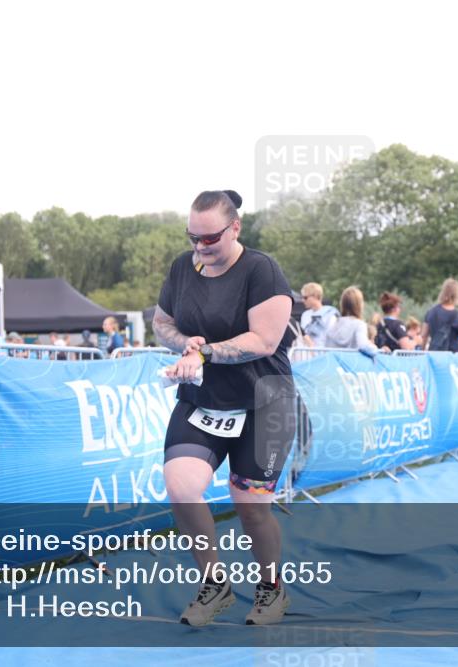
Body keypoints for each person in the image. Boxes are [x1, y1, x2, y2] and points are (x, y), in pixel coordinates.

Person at [152, 189, 297, 627]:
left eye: (209, 238)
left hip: (265, 401)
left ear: (235, 228)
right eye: (192, 237)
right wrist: (184, 343)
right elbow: (162, 324)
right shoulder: (183, 267)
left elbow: (264, 340)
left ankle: (271, 589)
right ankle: (214, 585)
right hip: (205, 399)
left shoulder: (261, 270)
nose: (199, 247)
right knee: (180, 486)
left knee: (250, 505)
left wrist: (206, 353)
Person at [324, 286, 378, 356]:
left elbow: (327, 345)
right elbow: (363, 345)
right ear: (359, 305)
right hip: (351, 364)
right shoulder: (359, 324)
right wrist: (376, 349)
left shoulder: (334, 323)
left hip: (335, 364)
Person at [298, 282, 338, 348]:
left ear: (315, 296)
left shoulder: (330, 315)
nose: (303, 300)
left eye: (305, 297)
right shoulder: (305, 315)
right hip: (307, 354)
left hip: (323, 353)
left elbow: (332, 339)